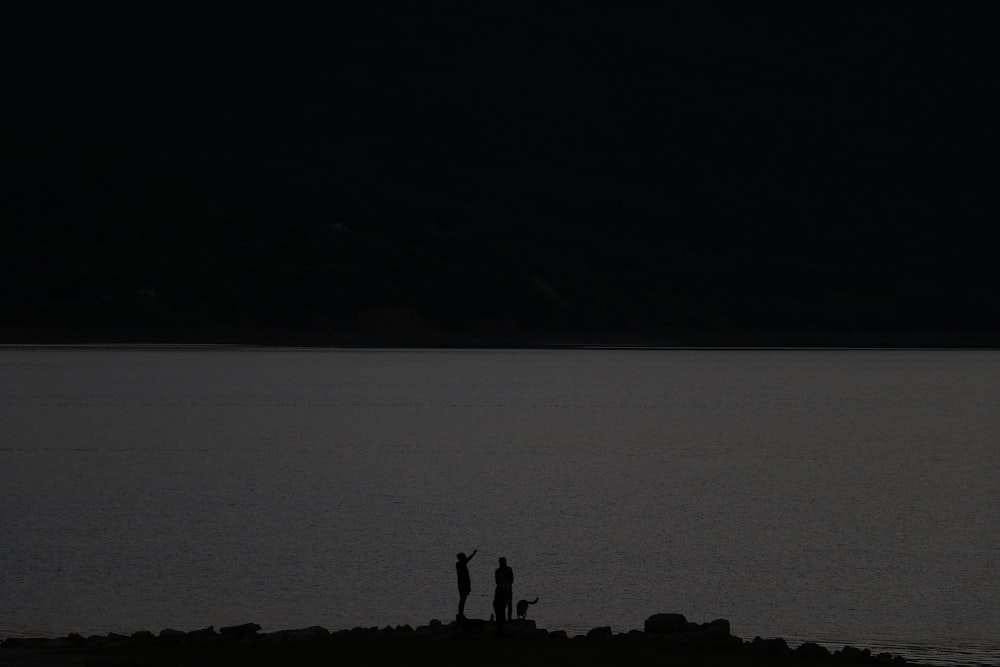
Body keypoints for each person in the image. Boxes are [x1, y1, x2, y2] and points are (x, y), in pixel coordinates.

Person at [455, 549, 477, 618]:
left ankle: (461, 613)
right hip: (463, 584)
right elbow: (467, 560)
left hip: (464, 584)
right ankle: (460, 613)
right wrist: (473, 554)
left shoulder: (461, 564)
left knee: (463, 599)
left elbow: (466, 560)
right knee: (462, 599)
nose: (465, 557)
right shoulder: (460, 564)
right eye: (464, 556)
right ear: (461, 558)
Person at [494, 557, 514, 623]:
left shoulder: (500, 570)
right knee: (504, 605)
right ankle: (506, 619)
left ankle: (507, 618)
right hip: (503, 590)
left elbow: (511, 580)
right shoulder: (500, 570)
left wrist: (504, 581)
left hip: (506, 590)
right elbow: (497, 582)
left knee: (507, 605)